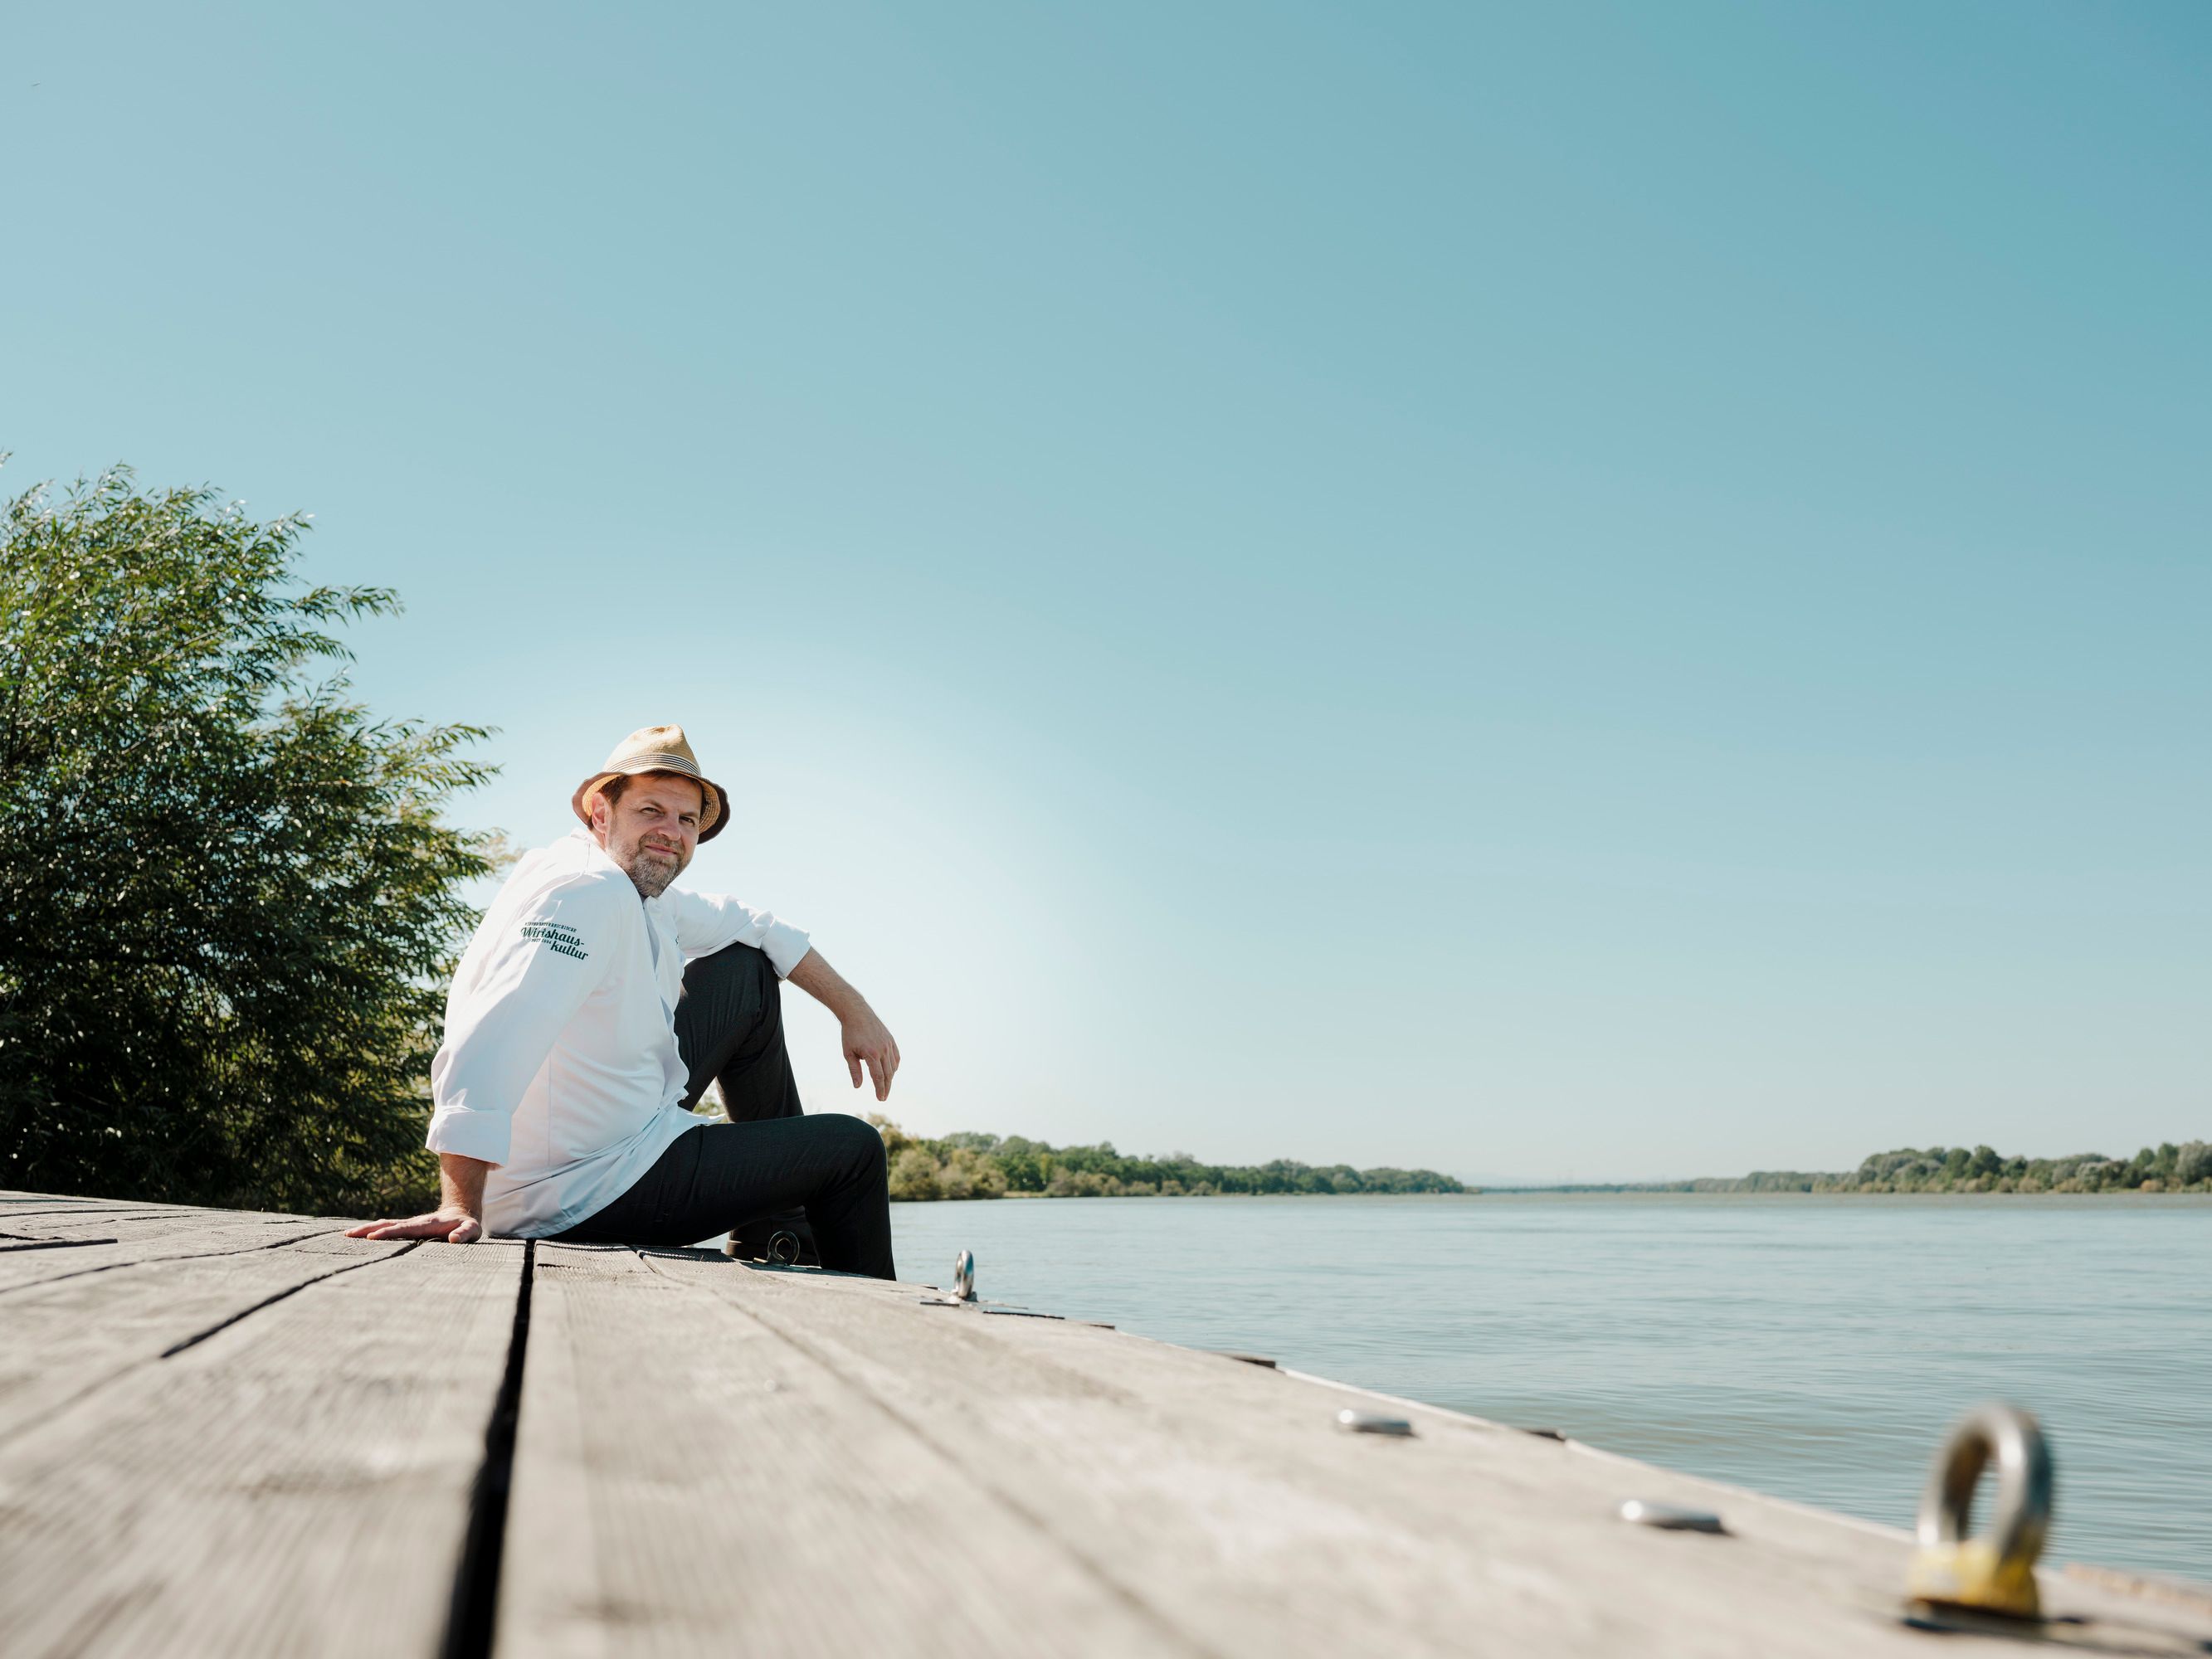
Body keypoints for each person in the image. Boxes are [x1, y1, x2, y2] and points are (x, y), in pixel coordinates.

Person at [346, 723, 899, 1278]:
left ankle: (779, 1230)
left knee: (744, 970)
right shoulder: (587, 893)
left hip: (620, 1140)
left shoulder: (637, 888)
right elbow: (494, 1034)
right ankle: (885, 1329)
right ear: (600, 812)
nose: (671, 832)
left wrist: (855, 1010)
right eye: (651, 811)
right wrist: (460, 1204)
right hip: (583, 1192)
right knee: (852, 1150)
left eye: (685, 821)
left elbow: (755, 924)